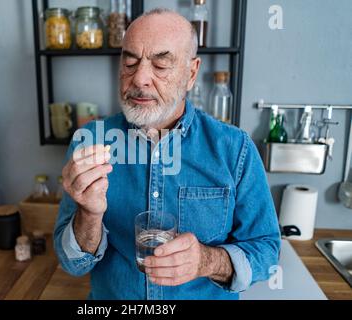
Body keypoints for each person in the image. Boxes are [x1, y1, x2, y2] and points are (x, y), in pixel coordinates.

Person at [54, 8, 281, 300]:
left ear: (191, 73)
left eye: (161, 65)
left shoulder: (235, 149)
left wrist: (207, 261)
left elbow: (266, 249)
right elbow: (71, 264)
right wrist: (89, 214)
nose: (140, 79)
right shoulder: (90, 143)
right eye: (130, 62)